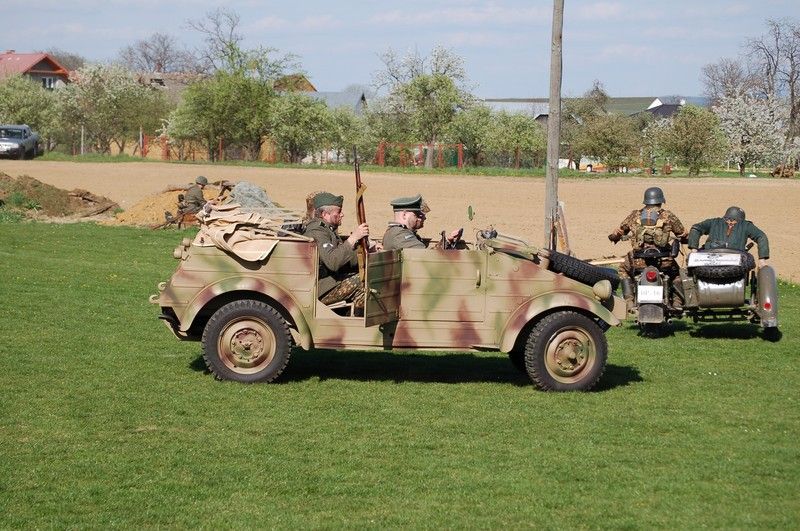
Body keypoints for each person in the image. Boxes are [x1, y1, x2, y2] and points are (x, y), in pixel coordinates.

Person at [608, 186, 688, 307]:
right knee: (677, 274)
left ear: (645, 201)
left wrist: (614, 237)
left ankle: (629, 301)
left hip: (638, 260)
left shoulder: (635, 215)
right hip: (664, 261)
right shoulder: (668, 216)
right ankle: (677, 302)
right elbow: (682, 233)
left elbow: (619, 231)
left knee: (623, 269)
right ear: (661, 200)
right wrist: (685, 239)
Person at [303, 191, 380, 313]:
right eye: (338, 212)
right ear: (325, 214)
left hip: (331, 281)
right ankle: (356, 320)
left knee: (368, 275)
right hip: (321, 288)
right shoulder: (317, 231)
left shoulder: (327, 229)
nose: (342, 214)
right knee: (364, 281)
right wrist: (353, 238)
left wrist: (367, 251)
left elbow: (344, 258)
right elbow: (333, 262)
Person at [688, 206, 769, 268]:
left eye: (733, 221)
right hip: (710, 256)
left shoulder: (745, 225)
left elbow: (761, 236)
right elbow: (696, 228)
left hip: (734, 258)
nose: (730, 222)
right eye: (728, 220)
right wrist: (694, 250)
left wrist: (762, 260)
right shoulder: (714, 222)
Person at [382, 194, 461, 250]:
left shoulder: (398, 232)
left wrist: (447, 241)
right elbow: (426, 257)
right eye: (418, 215)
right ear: (404, 215)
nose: (424, 218)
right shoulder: (400, 235)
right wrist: (446, 242)